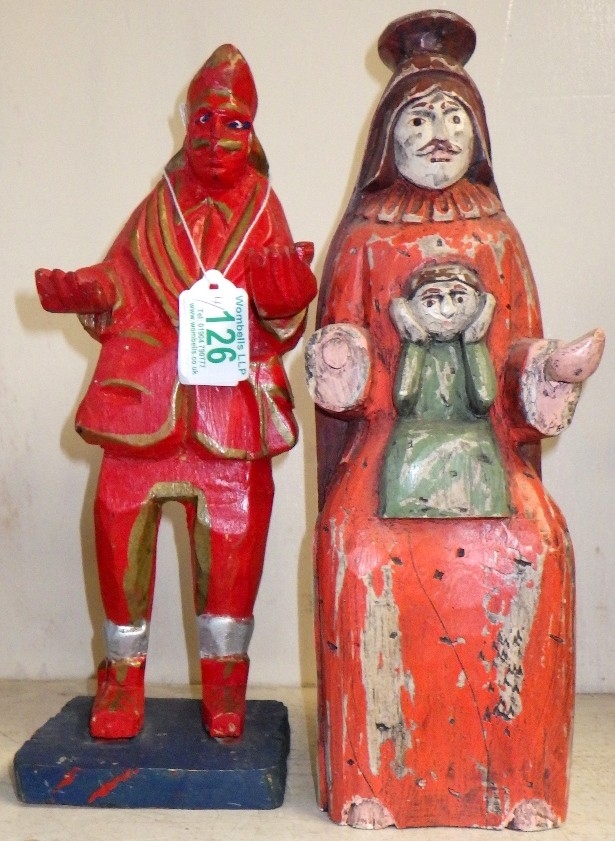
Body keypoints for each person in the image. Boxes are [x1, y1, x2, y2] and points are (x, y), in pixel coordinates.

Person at [307, 11, 603, 830]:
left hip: (484, 449)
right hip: (386, 449)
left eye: (453, 117)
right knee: (358, 548)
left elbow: (516, 352)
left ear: (478, 136)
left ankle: (518, 782)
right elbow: (345, 352)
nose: (436, 133)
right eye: (416, 118)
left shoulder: (497, 236)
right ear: (385, 140)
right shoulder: (365, 238)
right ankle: (374, 781)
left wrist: (541, 368)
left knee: (535, 547)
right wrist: (341, 357)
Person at [36, 44, 316, 740]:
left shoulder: (264, 211)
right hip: (140, 408)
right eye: (203, 121)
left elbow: (281, 314)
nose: (216, 137)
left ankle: (225, 686)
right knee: (117, 535)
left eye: (234, 124)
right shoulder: (156, 207)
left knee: (233, 549)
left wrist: (285, 303)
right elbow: (120, 276)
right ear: (185, 125)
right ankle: (121, 679)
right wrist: (88, 289)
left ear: (252, 132)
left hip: (231, 419)